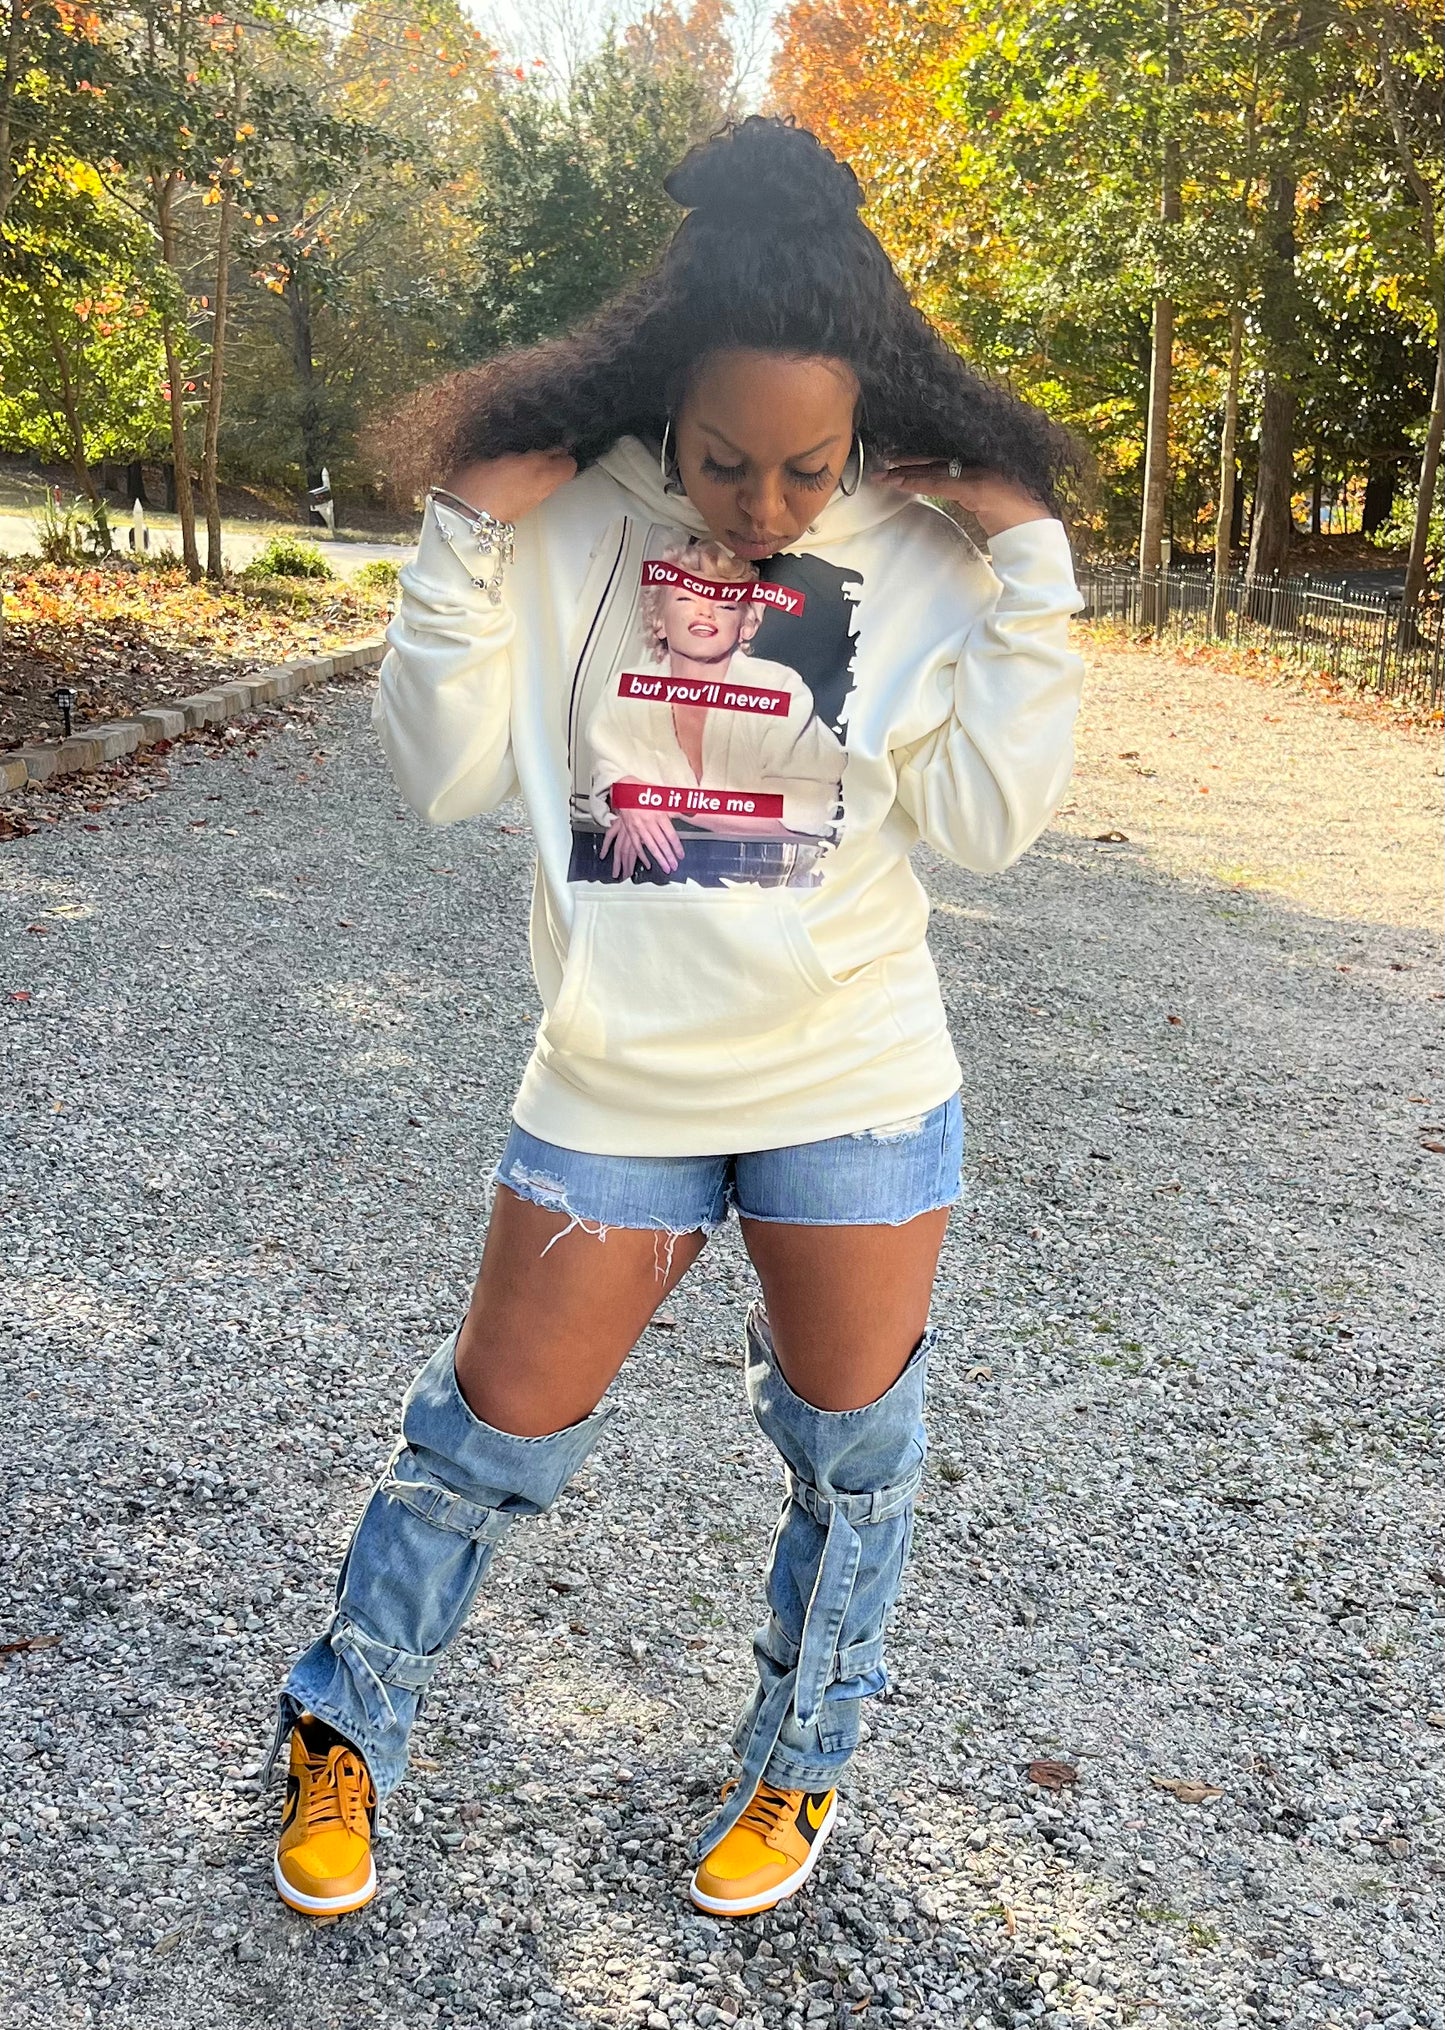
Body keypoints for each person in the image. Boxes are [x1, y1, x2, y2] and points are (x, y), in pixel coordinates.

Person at [269, 114, 1085, 1924]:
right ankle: (342, 1726)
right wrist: (461, 534)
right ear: (666, 405)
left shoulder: (926, 548)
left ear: (866, 428)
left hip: (853, 1077)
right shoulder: (566, 520)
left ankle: (801, 1764)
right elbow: (439, 775)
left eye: (812, 468)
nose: (766, 506)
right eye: (724, 461)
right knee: (486, 1437)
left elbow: (984, 826)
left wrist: (1028, 561)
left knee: (852, 1463)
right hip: (614, 1079)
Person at [584, 534, 846, 883]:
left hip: (766, 893)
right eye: (686, 597)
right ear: (658, 619)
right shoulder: (624, 691)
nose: (705, 611)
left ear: (747, 625)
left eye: (724, 604)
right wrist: (625, 793)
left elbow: (806, 819)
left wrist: (669, 801)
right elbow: (606, 782)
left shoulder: (780, 688)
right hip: (644, 893)